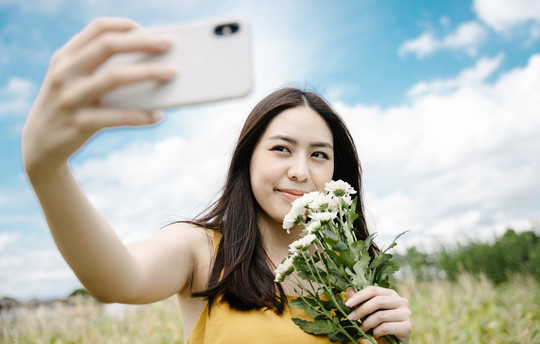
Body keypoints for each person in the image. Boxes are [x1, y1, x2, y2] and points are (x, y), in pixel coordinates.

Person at [21, 17, 412, 343]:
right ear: (247, 159)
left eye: (319, 155)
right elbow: (119, 277)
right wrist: (49, 170)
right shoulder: (202, 251)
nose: (300, 170)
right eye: (281, 149)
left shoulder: (354, 268)